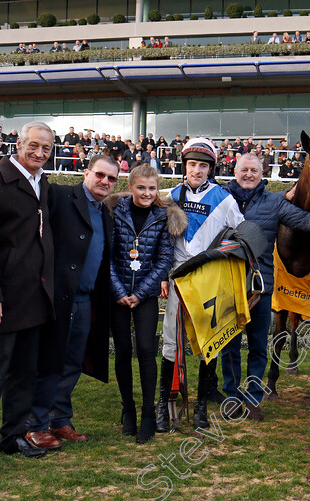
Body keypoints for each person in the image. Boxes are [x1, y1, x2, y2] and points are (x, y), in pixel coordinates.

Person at [0, 121, 56, 471]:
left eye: (46, 148)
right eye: (33, 145)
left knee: (23, 371)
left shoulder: (42, 182)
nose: (39, 153)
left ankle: (13, 435)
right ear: (18, 143)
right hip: (2, 299)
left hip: (35, 296)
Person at [221, 154, 310, 420]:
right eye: (244, 170)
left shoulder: (275, 202)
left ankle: (253, 398)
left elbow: (307, 221)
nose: (249, 174)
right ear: (235, 171)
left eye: (254, 170)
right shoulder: (220, 198)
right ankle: (230, 396)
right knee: (229, 346)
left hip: (259, 287)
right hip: (226, 285)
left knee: (257, 346)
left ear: (262, 173)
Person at [25, 155, 117, 451]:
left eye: (112, 178)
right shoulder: (62, 195)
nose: (105, 182)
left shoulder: (106, 213)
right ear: (87, 173)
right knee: (48, 363)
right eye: (100, 175)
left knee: (72, 363)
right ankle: (34, 426)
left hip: (87, 300)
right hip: (58, 298)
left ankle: (59, 420)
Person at [159, 138, 244, 431]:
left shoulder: (225, 198)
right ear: (185, 166)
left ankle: (200, 410)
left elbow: (241, 236)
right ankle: (164, 405)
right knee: (171, 342)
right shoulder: (170, 195)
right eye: (192, 164)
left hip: (208, 280)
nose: (197, 170)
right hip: (178, 278)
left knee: (210, 343)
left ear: (211, 168)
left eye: (203, 165)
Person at [109, 165, 182, 442]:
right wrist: (118, 290)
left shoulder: (163, 216)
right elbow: (109, 256)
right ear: (131, 187)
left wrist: (140, 292)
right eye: (141, 188)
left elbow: (164, 259)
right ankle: (128, 409)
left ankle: (148, 413)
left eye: (152, 189)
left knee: (145, 348)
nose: (147, 193)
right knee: (123, 349)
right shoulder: (115, 212)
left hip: (146, 295)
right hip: (117, 294)